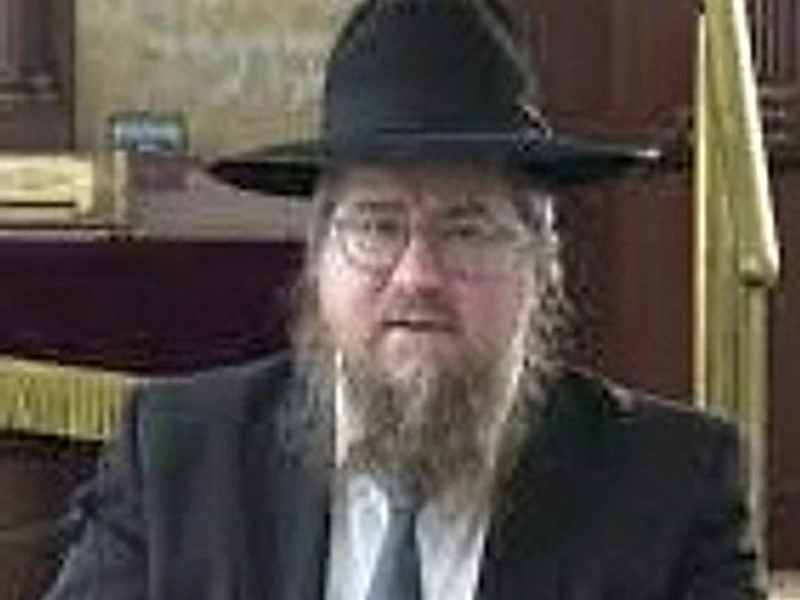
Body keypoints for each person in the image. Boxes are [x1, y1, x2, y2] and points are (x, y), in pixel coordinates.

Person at [46, 0, 763, 598]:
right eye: (377, 225)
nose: (418, 275)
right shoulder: (175, 463)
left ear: (542, 268)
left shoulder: (671, 489)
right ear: (318, 259)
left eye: (468, 229)